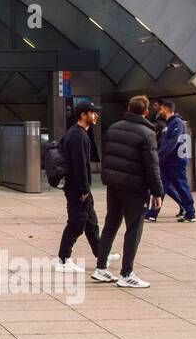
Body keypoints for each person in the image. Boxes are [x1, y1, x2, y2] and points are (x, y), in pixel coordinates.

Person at [93, 96, 164, 290]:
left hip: (114, 185)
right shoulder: (147, 133)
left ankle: (101, 268)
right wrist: (157, 192)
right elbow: (152, 166)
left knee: (111, 224)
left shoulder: (114, 127)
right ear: (146, 112)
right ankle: (126, 273)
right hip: (135, 188)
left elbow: (107, 155)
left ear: (128, 108)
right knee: (134, 228)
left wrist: (107, 178)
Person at [56, 102, 118, 272]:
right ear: (83, 115)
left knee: (91, 222)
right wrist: (84, 189)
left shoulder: (79, 133)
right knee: (76, 223)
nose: (96, 115)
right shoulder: (78, 136)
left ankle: (101, 253)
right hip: (77, 188)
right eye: (92, 112)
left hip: (79, 187)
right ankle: (63, 258)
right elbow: (79, 165)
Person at [148, 100, 196, 224]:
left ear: (166, 109)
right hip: (167, 162)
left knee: (181, 186)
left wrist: (159, 156)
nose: (160, 111)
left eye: (161, 109)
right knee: (161, 187)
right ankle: (152, 213)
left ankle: (190, 213)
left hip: (176, 162)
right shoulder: (168, 124)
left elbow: (172, 143)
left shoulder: (177, 123)